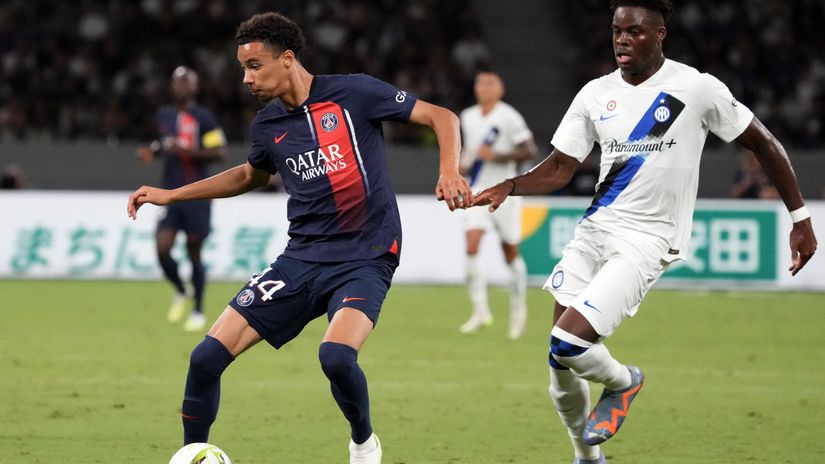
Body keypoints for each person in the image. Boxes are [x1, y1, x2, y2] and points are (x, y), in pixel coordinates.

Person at [471, 1, 817, 463]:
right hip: (595, 230)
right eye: (617, 30)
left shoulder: (696, 88)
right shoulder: (595, 93)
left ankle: (624, 381)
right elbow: (559, 167)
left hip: (647, 240)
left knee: (570, 343)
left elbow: (763, 142)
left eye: (634, 31)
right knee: (558, 364)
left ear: (660, 34)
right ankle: (587, 458)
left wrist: (799, 217)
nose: (622, 40)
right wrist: (510, 185)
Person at [127, 12, 471, 464]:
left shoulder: (355, 93)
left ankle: (364, 442)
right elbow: (250, 175)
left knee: (335, 358)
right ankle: (191, 455)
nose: (246, 78)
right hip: (301, 259)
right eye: (242, 68)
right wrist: (173, 195)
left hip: (365, 257)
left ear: (287, 59)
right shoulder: (268, 124)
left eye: (255, 66)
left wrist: (449, 170)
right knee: (204, 358)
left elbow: (440, 116)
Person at [136, 66, 227, 332]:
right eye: (177, 81)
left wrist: (187, 150)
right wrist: (151, 152)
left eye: (186, 82)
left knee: (194, 252)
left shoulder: (204, 118)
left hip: (198, 195)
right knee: (162, 249)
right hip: (168, 195)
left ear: (195, 87)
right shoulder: (164, 115)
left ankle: (198, 309)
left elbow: (219, 151)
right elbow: (164, 144)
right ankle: (181, 289)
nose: (181, 86)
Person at [457, 71, 536, 339]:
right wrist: (461, 166)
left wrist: (499, 155)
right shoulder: (467, 116)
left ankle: (518, 310)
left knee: (510, 253)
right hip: (477, 190)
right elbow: (469, 151)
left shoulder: (509, 116)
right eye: (480, 82)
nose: (484, 87)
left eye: (490, 83)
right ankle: (480, 311)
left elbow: (529, 150)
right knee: (471, 246)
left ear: (500, 89)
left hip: (505, 193)